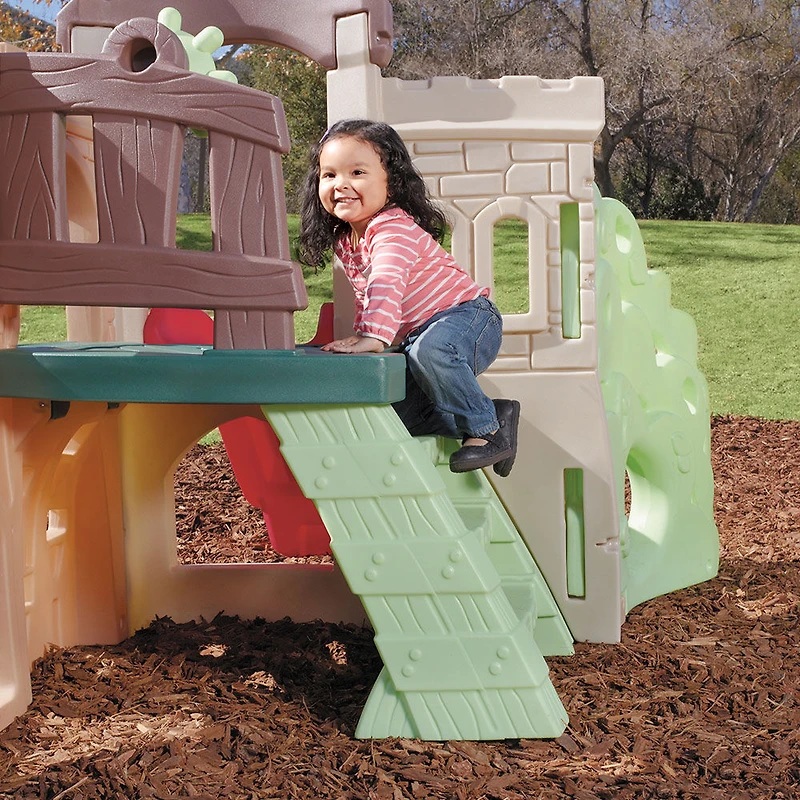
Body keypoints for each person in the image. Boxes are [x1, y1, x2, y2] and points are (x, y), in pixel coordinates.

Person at [298, 119, 520, 476]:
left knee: (429, 351)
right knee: (396, 411)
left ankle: (487, 430)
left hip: (466, 319)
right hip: (419, 337)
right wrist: (365, 335)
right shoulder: (347, 239)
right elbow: (369, 294)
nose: (341, 185)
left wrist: (374, 336)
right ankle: (494, 415)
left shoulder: (391, 228)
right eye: (329, 175)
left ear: (392, 182)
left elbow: (387, 280)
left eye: (357, 172)